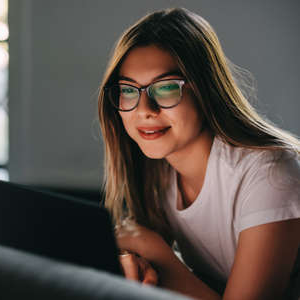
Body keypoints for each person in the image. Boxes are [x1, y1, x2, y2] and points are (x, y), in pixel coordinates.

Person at [97, 7, 300, 300]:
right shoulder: (157, 172)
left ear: (207, 90)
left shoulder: (270, 173)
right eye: (128, 90)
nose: (144, 110)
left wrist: (158, 254)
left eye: (166, 88)